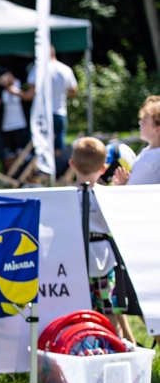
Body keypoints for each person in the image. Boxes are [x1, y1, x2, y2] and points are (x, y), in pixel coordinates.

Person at [69, 137, 137, 344]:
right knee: (110, 313)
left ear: (72, 164)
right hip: (104, 257)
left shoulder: (65, 196)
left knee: (83, 312)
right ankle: (113, 348)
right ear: (103, 167)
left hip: (76, 258)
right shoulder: (108, 195)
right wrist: (121, 188)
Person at [24, 45, 78, 156]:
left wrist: (15, 92)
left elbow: (30, 94)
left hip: (42, 114)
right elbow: (73, 91)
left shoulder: (37, 68)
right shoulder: (65, 69)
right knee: (58, 148)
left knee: (41, 146)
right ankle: (57, 171)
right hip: (59, 112)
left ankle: (43, 172)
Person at [113, 95, 160, 185]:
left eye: (144, 120)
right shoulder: (149, 152)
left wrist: (122, 185)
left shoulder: (151, 159)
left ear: (157, 129)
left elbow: (134, 191)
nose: (140, 122)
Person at [0, 67, 30, 173]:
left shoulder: (23, 85)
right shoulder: (0, 90)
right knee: (9, 155)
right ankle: (13, 177)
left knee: (23, 154)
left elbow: (28, 98)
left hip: (21, 125)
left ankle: (26, 177)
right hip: (7, 126)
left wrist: (14, 91)